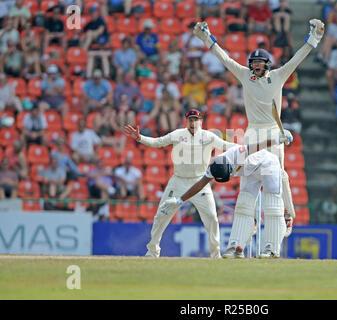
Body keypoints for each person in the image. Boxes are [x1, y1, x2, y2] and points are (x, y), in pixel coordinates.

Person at [191, 19, 324, 237]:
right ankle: (250, 219)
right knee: (248, 175)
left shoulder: (279, 75)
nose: (256, 66)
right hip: (253, 130)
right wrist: (206, 36)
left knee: (279, 174)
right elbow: (224, 58)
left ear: (267, 64)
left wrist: (314, 37)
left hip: (273, 129)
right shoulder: (245, 75)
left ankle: (288, 215)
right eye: (254, 63)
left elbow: (297, 59)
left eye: (260, 63)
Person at [122, 109, 242, 259]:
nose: (193, 123)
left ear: (201, 121)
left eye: (195, 120)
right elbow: (158, 142)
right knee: (162, 215)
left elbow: (227, 146)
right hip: (178, 181)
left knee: (211, 217)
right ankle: (152, 251)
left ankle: (215, 255)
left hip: (200, 182)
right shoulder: (178, 135)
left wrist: (247, 149)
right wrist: (140, 138)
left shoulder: (208, 136)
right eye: (190, 120)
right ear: (186, 121)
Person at [159, 127, 293, 258]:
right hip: (249, 172)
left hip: (267, 166)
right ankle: (235, 247)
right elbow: (199, 185)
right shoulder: (214, 166)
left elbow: (259, 145)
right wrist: (179, 200)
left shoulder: (238, 153)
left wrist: (278, 138)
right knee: (243, 206)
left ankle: (271, 248)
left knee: (272, 205)